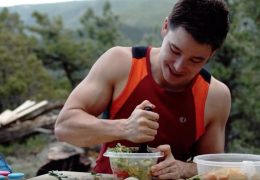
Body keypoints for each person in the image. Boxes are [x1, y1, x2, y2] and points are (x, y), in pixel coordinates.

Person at [55, 0, 231, 179]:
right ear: (165, 27)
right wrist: (124, 128)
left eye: (195, 60)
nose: (178, 67)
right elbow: (64, 127)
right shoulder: (121, 63)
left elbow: (214, 169)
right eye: (174, 50)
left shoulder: (215, 96)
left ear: (212, 54)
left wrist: (184, 169)